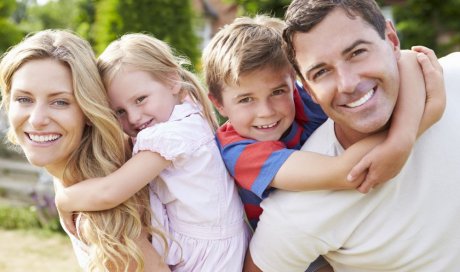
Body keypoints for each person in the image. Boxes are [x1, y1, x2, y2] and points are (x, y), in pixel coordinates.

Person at [202, 14, 443, 272]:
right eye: (246, 99)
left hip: (341, 229)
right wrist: (421, 121)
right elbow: (346, 172)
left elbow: (404, 58)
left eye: (278, 92)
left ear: (294, 83)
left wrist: (404, 133)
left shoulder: (302, 99)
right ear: (218, 103)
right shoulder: (239, 152)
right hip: (297, 256)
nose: (266, 111)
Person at [54, 33, 250, 272]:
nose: (134, 118)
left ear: (172, 80)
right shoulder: (188, 116)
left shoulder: (172, 136)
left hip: (205, 260)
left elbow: (110, 192)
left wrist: (63, 200)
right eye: (119, 112)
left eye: (140, 99)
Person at [0, 30, 169, 272]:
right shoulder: (76, 177)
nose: (37, 119)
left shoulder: (99, 211)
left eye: (60, 102)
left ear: (89, 112)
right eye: (24, 99)